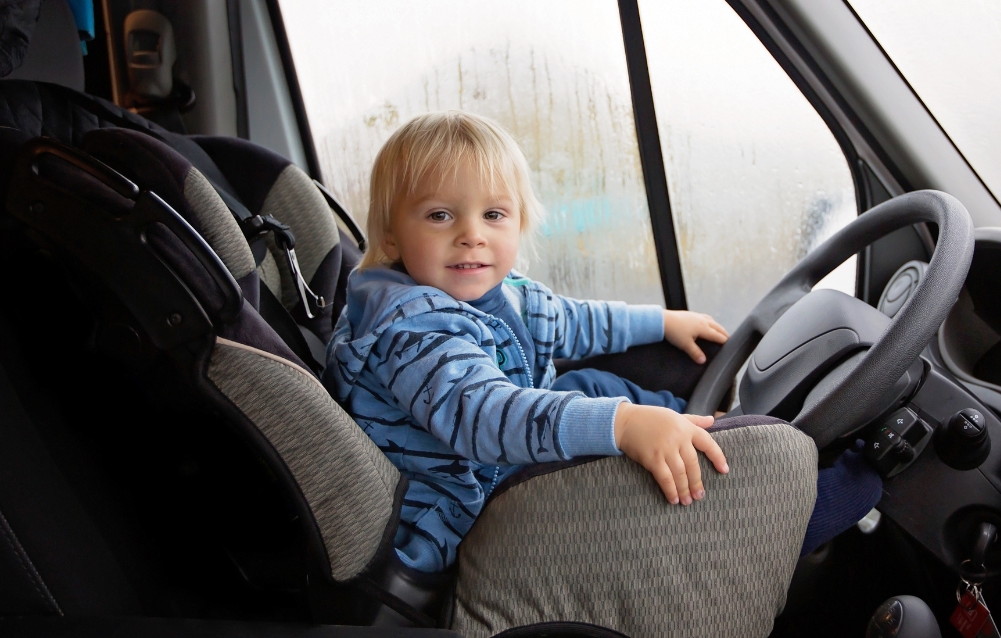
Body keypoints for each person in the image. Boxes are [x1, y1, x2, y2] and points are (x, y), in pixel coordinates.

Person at [324, 111, 881, 575]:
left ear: (519, 222)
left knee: (593, 385)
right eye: (440, 215)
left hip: (496, 464)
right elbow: (486, 418)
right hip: (459, 509)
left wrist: (660, 322)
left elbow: (572, 321)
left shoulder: (501, 289)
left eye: (493, 214)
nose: (471, 234)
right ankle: (773, 518)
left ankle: (697, 429)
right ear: (391, 234)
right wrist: (622, 425)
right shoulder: (413, 332)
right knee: (619, 460)